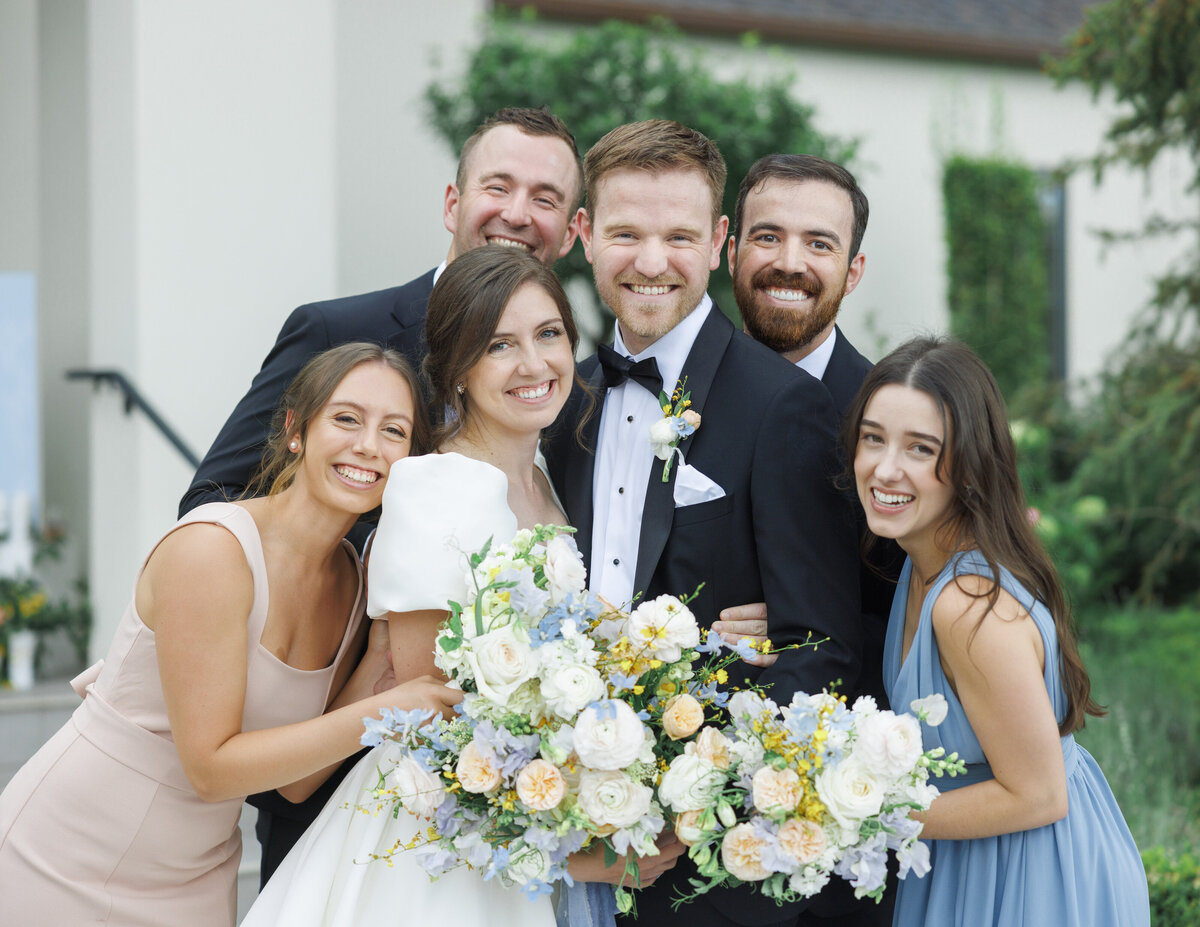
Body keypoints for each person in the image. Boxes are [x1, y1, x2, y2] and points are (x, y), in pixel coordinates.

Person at [179, 105, 584, 883]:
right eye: (498, 185)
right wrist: (378, 612)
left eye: (545, 197)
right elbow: (218, 497)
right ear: (452, 202)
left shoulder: (557, 393)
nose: (517, 211)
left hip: (496, 789)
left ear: (569, 230)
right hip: (338, 763)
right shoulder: (339, 328)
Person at [241, 245, 684, 927]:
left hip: (527, 819)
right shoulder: (438, 486)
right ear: (458, 369)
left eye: (549, 334)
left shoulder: (542, 478)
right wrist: (570, 853)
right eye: (499, 344)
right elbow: (436, 728)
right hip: (443, 839)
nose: (534, 364)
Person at [0, 343, 462, 926]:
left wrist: (374, 667)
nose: (368, 446)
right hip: (66, 857)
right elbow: (212, 769)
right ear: (296, 428)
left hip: (195, 874)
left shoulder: (353, 581)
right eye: (346, 419)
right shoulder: (213, 550)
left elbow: (295, 784)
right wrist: (397, 707)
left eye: (394, 431)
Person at [543, 120, 862, 927]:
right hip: (562, 835)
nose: (651, 263)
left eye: (679, 236)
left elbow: (818, 649)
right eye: (625, 233)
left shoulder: (783, 404)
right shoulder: (560, 401)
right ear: (583, 235)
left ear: (718, 241)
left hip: (710, 875)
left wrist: (694, 811)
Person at [848, 336, 1150, 926]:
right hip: (972, 858)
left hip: (1031, 876)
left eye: (921, 448)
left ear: (968, 464)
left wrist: (855, 814)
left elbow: (1038, 795)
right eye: (873, 438)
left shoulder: (966, 603)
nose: (886, 468)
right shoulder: (917, 560)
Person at [725, 153, 902, 927]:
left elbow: (921, 620)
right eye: (769, 236)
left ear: (853, 269)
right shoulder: (677, 391)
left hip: (837, 840)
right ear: (732, 249)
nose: (789, 263)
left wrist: (799, 634)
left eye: (819, 244)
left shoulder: (894, 417)